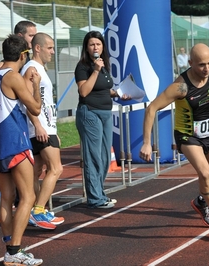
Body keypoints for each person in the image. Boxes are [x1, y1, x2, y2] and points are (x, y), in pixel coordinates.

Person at [139, 43, 209, 235]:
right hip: (187, 135)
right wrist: (147, 142)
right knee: (205, 173)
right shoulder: (180, 86)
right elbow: (151, 108)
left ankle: (200, 201)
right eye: (201, 65)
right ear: (190, 63)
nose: (206, 69)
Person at [0, 34, 43, 265]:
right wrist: (36, 85)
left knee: (6, 199)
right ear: (22, 55)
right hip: (15, 143)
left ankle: (10, 244)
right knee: (28, 196)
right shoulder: (13, 77)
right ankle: (14, 251)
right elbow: (36, 109)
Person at [74, 31, 130, 209]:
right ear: (87, 47)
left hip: (106, 112)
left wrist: (119, 94)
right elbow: (84, 91)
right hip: (89, 112)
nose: (95, 47)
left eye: (98, 44)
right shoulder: (83, 67)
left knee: (105, 157)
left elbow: (105, 90)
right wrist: (96, 70)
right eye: (91, 44)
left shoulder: (105, 66)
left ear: (103, 46)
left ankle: (100, 193)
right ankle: (94, 198)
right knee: (93, 157)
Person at [20, 33, 64, 230]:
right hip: (40, 128)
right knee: (56, 168)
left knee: (37, 171)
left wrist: (53, 128)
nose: (53, 52)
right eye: (50, 48)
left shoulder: (40, 70)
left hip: (46, 127)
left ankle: (33, 211)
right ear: (37, 48)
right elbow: (26, 100)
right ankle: (38, 210)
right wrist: (38, 125)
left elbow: (44, 101)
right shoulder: (31, 69)